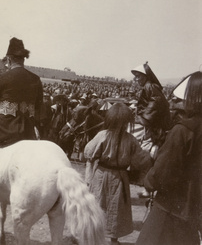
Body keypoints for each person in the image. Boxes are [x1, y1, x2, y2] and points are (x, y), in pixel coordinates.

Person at [136, 71, 202, 245]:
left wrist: (149, 182)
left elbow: (161, 173)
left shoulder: (182, 130)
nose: (175, 104)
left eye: (179, 100)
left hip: (170, 209)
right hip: (194, 211)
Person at [84, 103, 152, 245]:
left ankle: (95, 237)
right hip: (119, 177)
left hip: (102, 175)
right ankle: (112, 239)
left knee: (99, 203)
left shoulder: (103, 135)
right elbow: (140, 160)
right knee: (115, 207)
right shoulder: (130, 139)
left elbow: (89, 152)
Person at [0, 37, 43, 166]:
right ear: (23, 59)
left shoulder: (4, 77)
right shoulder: (36, 79)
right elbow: (39, 106)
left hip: (4, 129)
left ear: (8, 59)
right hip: (28, 131)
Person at [131, 62, 171, 197]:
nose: (136, 80)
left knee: (149, 151)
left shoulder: (150, 86)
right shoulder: (149, 87)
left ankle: (149, 185)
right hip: (151, 125)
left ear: (145, 76)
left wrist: (143, 119)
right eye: (135, 77)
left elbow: (155, 103)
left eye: (138, 77)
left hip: (155, 127)